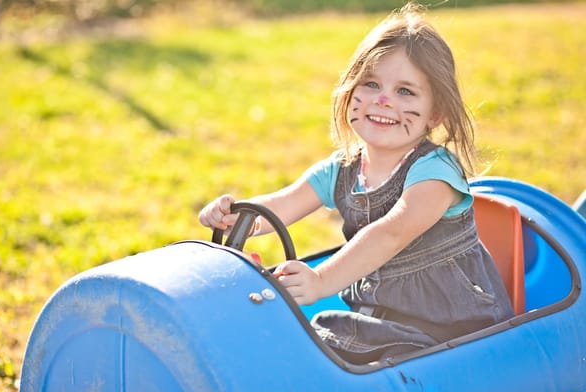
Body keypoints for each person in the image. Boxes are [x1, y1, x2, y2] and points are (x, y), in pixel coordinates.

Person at [198, 3, 514, 364]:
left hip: (451, 330)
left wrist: (320, 280)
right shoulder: (343, 168)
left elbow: (390, 234)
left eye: (405, 91)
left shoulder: (436, 173)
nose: (383, 99)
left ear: (436, 112)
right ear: (350, 88)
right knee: (310, 340)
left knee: (336, 357)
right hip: (378, 320)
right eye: (372, 84)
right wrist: (236, 216)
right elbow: (282, 205)